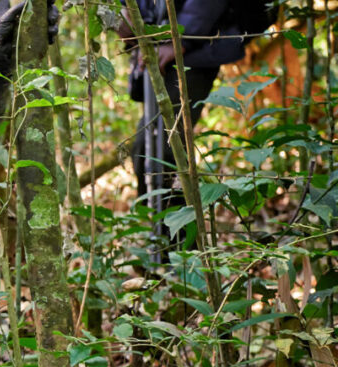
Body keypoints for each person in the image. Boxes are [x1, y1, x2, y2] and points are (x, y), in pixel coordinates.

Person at [116, 0, 273, 264]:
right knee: (144, 150)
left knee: (168, 151)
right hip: (159, 49)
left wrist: (179, 38)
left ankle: (182, 253)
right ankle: (160, 245)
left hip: (195, 51)